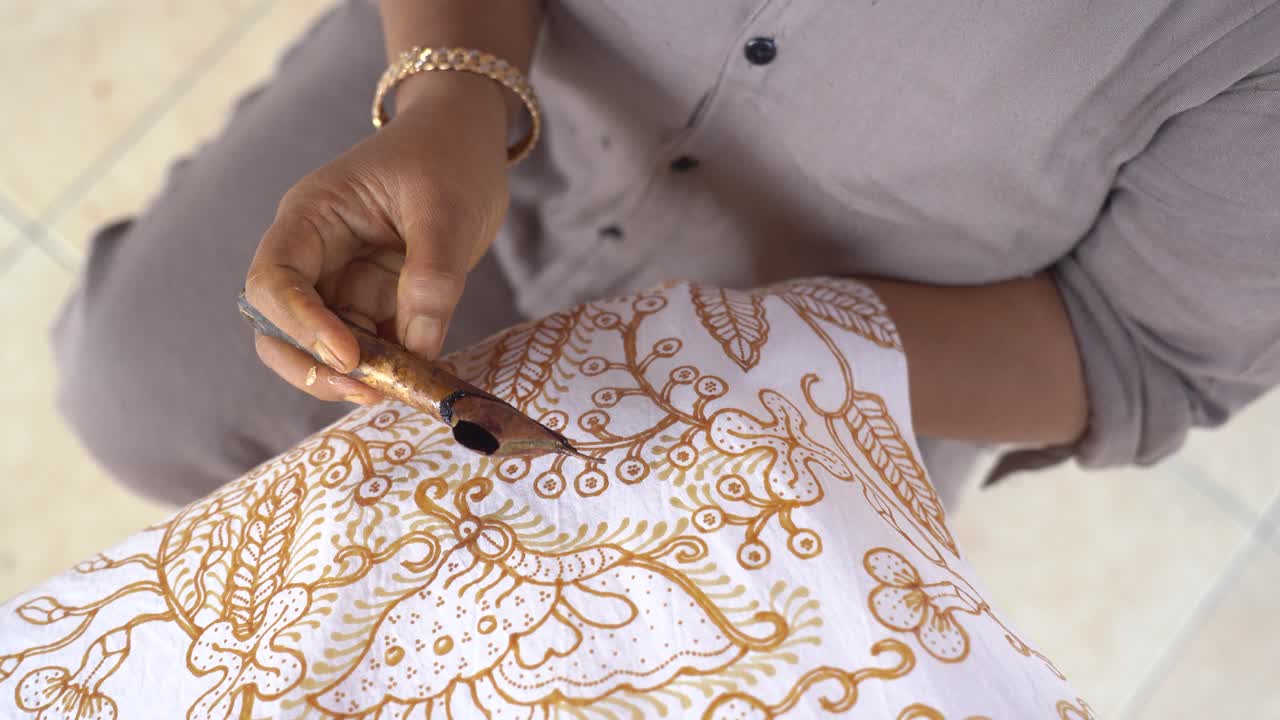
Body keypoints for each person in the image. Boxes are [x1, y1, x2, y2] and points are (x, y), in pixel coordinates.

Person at [52, 0, 1280, 508]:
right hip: (507, 88)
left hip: (852, 351)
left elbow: (1137, 352)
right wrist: (447, 94)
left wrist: (735, 354)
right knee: (135, 394)